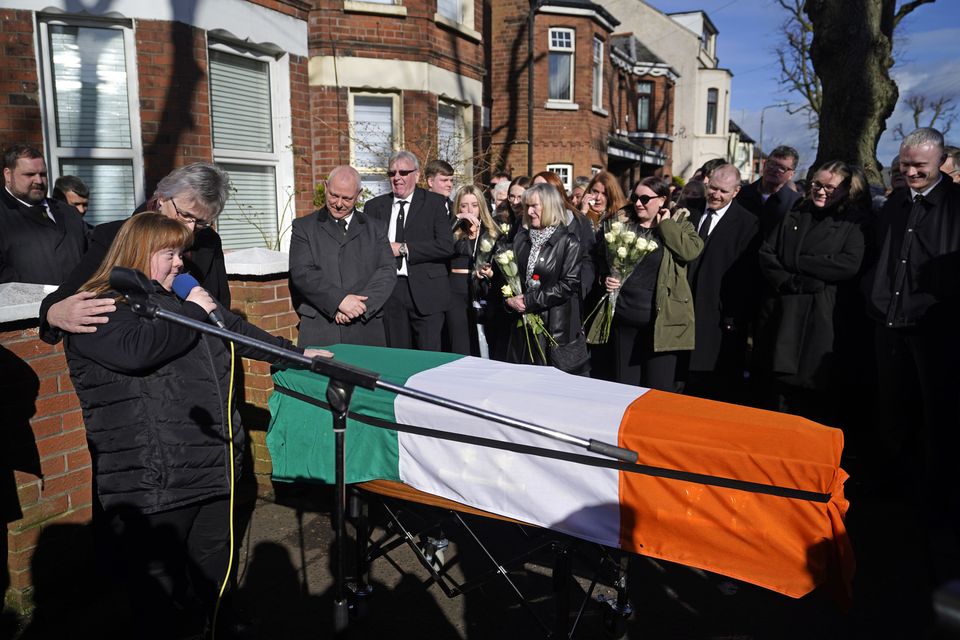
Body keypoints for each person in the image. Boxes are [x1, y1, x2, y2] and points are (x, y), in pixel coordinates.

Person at [64, 212, 329, 638]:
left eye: (180, 254)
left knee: (211, 573)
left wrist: (298, 356)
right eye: (168, 254)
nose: (180, 264)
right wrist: (194, 308)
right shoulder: (97, 306)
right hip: (154, 480)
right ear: (136, 254)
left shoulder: (177, 302)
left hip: (210, 468)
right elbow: (139, 350)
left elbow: (236, 329)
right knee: (160, 597)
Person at [863, 128, 960, 572]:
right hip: (889, 322)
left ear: (941, 162)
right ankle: (892, 502)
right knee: (892, 409)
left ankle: (935, 510)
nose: (911, 172)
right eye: (905, 165)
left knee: (936, 418)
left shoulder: (956, 207)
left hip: (933, 328)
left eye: (920, 165)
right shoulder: (896, 204)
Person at [38, 162, 232, 345]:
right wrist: (52, 313)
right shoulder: (113, 237)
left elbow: (220, 305)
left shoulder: (208, 241)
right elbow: (73, 290)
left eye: (201, 222)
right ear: (162, 197)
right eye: (185, 215)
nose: (190, 229)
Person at [754, 160, 868, 424]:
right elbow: (767, 253)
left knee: (812, 395)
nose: (821, 191)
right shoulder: (797, 211)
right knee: (777, 392)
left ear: (845, 190)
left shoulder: (854, 221)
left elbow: (848, 264)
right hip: (783, 310)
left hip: (822, 317)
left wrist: (795, 260)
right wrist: (791, 280)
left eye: (830, 187)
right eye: (817, 184)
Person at [602, 177, 702, 391]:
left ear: (662, 200)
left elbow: (690, 251)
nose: (638, 203)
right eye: (635, 197)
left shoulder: (679, 222)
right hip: (624, 319)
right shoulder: (621, 224)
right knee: (624, 389)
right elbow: (603, 260)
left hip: (661, 323)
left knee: (658, 390)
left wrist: (665, 225)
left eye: (645, 198)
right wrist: (607, 278)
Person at [289, 166, 396, 348]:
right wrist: (339, 301)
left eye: (347, 198)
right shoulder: (303, 227)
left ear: (359, 194)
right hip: (321, 329)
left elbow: (386, 271)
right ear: (325, 186)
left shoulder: (376, 228)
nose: (338, 203)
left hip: (366, 328)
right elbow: (302, 273)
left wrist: (357, 308)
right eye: (333, 195)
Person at [682, 164, 760, 403]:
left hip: (718, 314)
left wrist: (733, 317)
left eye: (723, 191)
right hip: (682, 308)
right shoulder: (689, 211)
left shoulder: (748, 224)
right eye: (713, 188)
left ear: (736, 191)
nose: (716, 195)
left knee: (710, 383)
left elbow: (746, 277)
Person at [363, 150, 455, 351]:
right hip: (390, 292)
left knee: (429, 358)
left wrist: (404, 248)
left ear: (417, 175)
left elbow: (446, 245)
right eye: (392, 173)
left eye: (403, 173)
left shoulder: (435, 203)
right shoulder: (374, 207)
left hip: (427, 293)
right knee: (397, 356)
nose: (397, 178)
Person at [502, 183, 585, 372]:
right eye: (527, 207)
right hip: (521, 329)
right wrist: (509, 301)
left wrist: (529, 300)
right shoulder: (521, 240)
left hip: (552, 329)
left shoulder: (568, 242)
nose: (529, 212)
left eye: (534, 206)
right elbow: (510, 279)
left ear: (550, 207)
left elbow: (568, 285)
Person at [0, 144, 88, 285]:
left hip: (79, 301)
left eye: (43, 174)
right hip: (25, 305)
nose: (39, 181)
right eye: (29, 175)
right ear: (8, 175)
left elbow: (91, 257)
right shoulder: (4, 215)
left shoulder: (69, 213)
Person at [447, 184, 498, 355]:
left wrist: (489, 272)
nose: (469, 210)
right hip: (455, 290)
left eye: (474, 205)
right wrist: (457, 219)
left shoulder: (491, 232)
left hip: (481, 290)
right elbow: (439, 245)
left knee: (484, 343)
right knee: (459, 343)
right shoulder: (452, 231)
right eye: (464, 206)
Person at [533, 171, 596, 306]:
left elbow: (588, 259)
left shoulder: (578, 221)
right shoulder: (525, 224)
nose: (538, 193)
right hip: (531, 299)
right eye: (534, 188)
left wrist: (580, 290)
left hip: (567, 300)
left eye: (544, 188)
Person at [736, 145, 802, 238]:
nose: (774, 170)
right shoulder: (741, 194)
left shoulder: (795, 203)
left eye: (782, 168)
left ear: (791, 174)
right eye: (771, 164)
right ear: (764, 164)